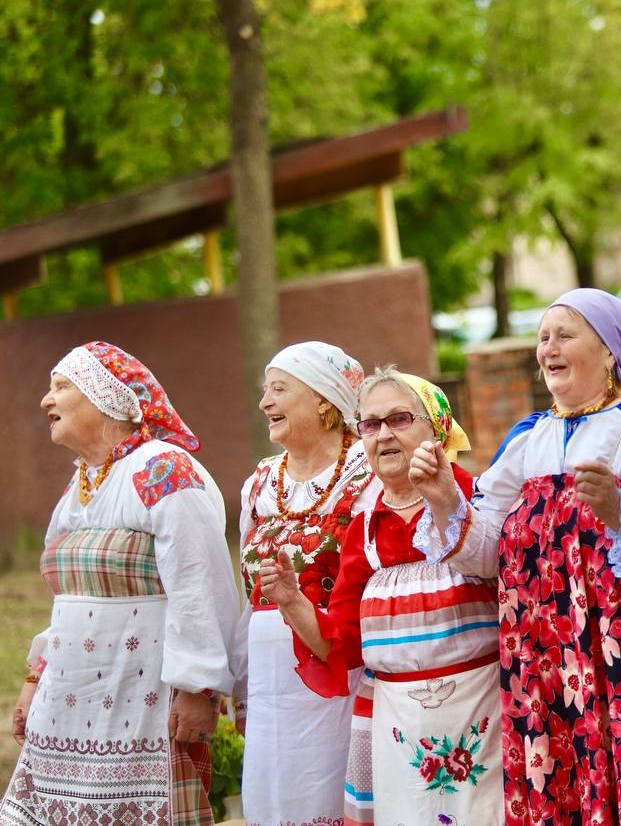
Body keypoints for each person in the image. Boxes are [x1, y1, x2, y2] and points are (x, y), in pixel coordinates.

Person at [410, 288, 621, 824]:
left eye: (565, 334)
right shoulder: (525, 439)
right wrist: (445, 497)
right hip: (549, 664)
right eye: (543, 337)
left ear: (610, 350)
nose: (548, 348)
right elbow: (492, 551)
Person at [3, 341, 243, 825]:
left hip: (140, 701)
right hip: (68, 702)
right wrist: (35, 679)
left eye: (61, 387)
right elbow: (68, 602)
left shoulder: (163, 470)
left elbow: (201, 585)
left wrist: (199, 688)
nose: (46, 401)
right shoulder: (83, 484)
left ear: (105, 398)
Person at [257, 367, 501, 825]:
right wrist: (294, 603)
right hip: (397, 728)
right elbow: (344, 645)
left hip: (483, 719)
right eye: (370, 425)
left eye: (400, 419)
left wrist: (446, 498)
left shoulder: (478, 499)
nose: (383, 434)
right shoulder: (364, 530)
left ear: (437, 428)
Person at [236, 341, 379, 826]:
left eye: (279, 389)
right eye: (265, 390)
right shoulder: (258, 483)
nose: (264, 403)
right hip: (270, 679)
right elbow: (245, 594)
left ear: (324, 399)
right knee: (275, 798)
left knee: (332, 791)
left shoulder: (368, 473)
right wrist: (239, 685)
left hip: (340, 670)